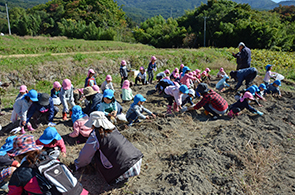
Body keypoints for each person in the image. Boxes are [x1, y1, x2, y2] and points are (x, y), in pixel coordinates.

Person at [74, 111, 143, 184]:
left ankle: (119, 178)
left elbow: (85, 156)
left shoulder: (95, 136)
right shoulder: (113, 128)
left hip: (124, 168)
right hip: (137, 160)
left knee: (96, 154)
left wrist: (77, 164)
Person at [8, 134, 88, 195]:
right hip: (78, 191)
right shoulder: (49, 158)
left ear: (18, 156)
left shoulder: (20, 173)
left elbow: (14, 193)